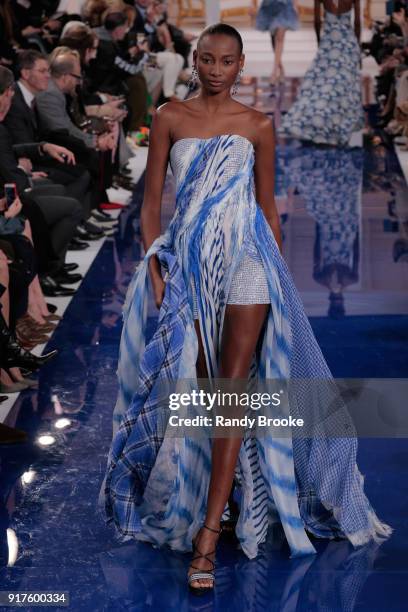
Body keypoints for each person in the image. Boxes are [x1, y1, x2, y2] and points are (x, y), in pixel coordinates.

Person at [104, 23, 391, 595]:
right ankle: (223, 500)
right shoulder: (168, 117)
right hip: (187, 264)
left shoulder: (258, 125)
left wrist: (279, 275)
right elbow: (152, 204)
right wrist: (156, 268)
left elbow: (268, 207)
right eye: (207, 59)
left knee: (233, 392)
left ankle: (209, 533)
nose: (216, 70)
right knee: (202, 389)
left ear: (241, 66)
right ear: (195, 59)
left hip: (248, 264)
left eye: (227, 61)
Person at [279, 0, 364, 145]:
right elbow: (357, 23)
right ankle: (340, 122)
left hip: (329, 40)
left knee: (321, 81)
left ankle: (318, 116)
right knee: (344, 83)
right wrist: (357, 46)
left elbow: (317, 22)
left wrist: (320, 42)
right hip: (347, 42)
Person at [256, 0, 300, 86]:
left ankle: (274, 72)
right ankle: (281, 69)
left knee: (280, 37)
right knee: (273, 40)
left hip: (285, 5)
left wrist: (296, 4)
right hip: (270, 5)